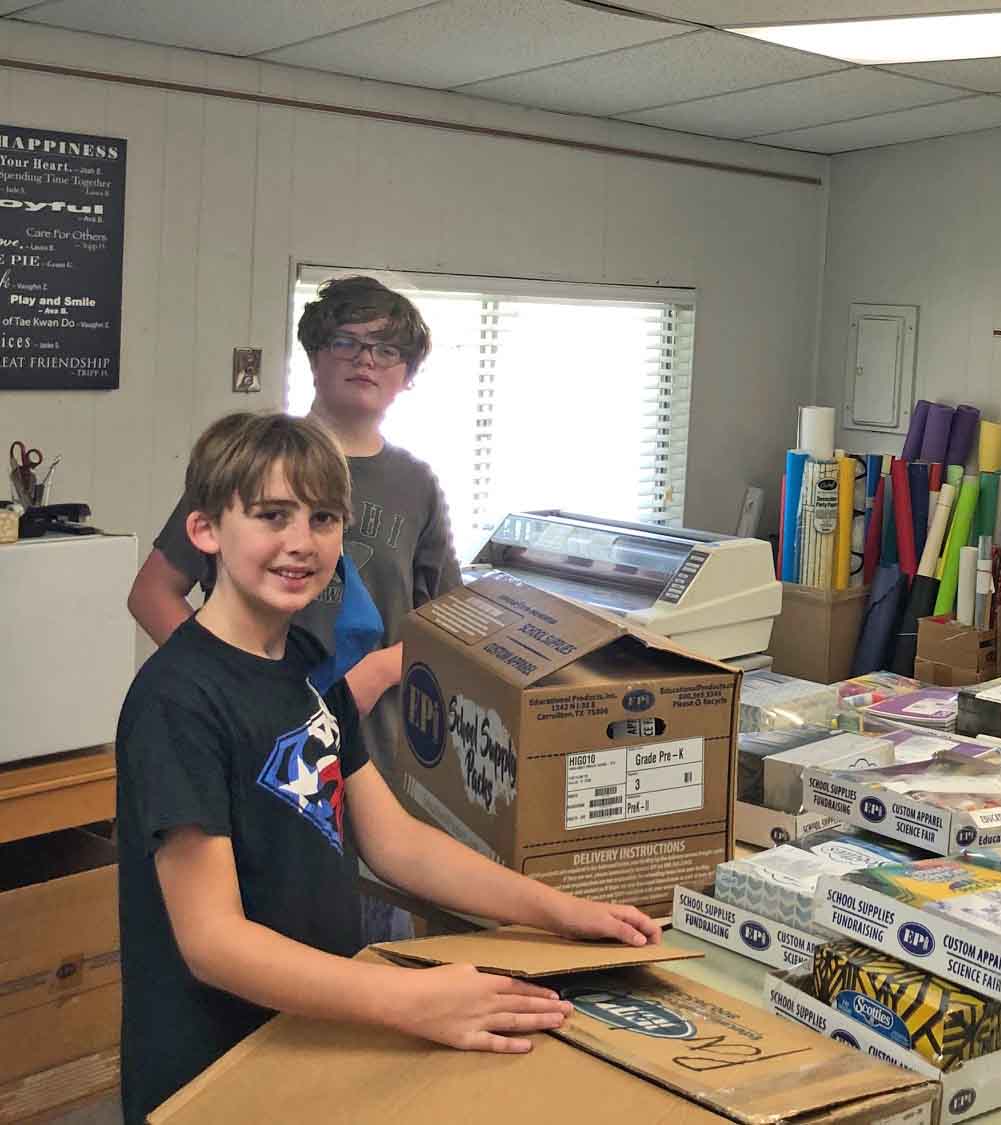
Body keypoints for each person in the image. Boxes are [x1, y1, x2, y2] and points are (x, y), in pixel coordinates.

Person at [115, 412, 660, 1125]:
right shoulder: (177, 701)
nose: (301, 542)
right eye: (272, 515)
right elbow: (214, 942)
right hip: (212, 1071)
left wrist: (561, 909)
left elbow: (394, 841)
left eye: (323, 518)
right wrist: (413, 1000)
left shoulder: (307, 669)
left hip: (314, 1037)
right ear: (205, 530)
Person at [128, 275, 456, 941]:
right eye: (347, 342)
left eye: (387, 349)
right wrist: (239, 689)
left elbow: (450, 622)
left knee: (364, 933)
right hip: (259, 764)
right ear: (313, 354)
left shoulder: (415, 483)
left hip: (369, 760)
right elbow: (152, 593)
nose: (366, 360)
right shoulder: (255, 462)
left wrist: (374, 676)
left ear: (408, 374)